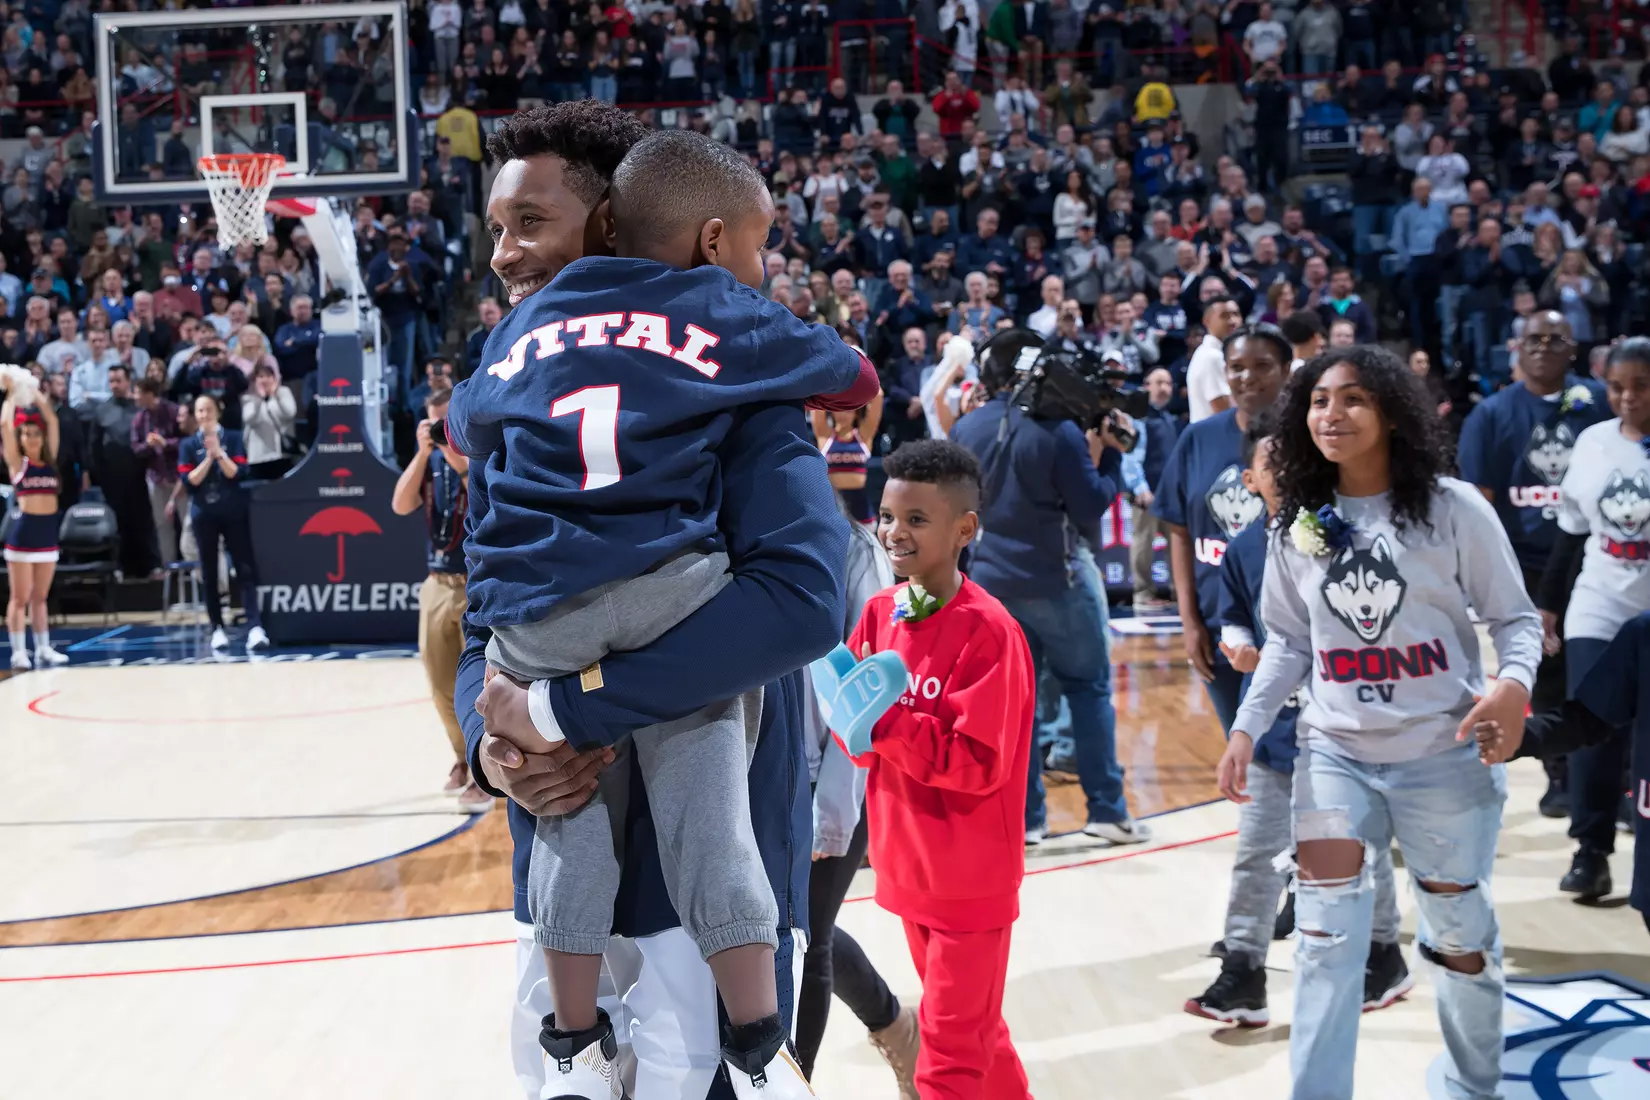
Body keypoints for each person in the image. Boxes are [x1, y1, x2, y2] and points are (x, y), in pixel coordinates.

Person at [446, 128, 876, 1098]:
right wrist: (494, 742)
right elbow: (489, 617)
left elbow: (802, 604)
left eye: (531, 222)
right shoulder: (520, 394)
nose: (505, 252)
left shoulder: (749, 395)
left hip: (704, 899)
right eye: (496, 228)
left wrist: (565, 711)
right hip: (560, 878)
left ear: (611, 223)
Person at [1220, 345, 1541, 1100]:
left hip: (1445, 760)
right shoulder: (1294, 525)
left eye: (1354, 399)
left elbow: (1517, 620)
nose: (1333, 414)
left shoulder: (1455, 509)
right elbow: (1289, 642)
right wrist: (1244, 727)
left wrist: (1513, 687)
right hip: (1333, 759)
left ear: (1393, 413)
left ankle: (1474, 1087)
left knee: (1460, 940)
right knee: (1326, 941)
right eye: (1320, 401)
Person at [1186, 411, 1408, 1029]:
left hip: (1338, 728)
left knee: (1355, 847)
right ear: (1250, 480)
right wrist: (1235, 644)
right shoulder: (1244, 545)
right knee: (1256, 854)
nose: (1280, 472)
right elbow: (1230, 614)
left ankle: (1385, 952)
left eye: (1290, 461)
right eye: (1269, 465)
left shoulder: (1335, 533)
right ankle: (1243, 972)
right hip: (1271, 731)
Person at [844, 439, 1034, 1100]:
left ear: (965, 529)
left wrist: (884, 721)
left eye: (917, 520)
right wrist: (854, 718)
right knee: (980, 1037)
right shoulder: (879, 614)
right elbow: (857, 740)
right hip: (907, 864)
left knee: (947, 1063)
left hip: (970, 879)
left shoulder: (990, 632)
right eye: (888, 516)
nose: (895, 532)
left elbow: (978, 764)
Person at [950, 333, 1147, 846]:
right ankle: (1106, 810)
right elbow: (1090, 508)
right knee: (1088, 689)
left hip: (992, 586)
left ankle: (1027, 820)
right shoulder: (1058, 429)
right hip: (1058, 580)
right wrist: (1106, 457)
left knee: (1019, 706)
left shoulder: (965, 428)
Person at [1456, 311, 1610, 827]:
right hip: (1521, 564)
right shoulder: (1492, 415)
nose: (1543, 347)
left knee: (1605, 672)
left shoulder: (1600, 404)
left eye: (1555, 339)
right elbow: (1479, 502)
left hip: (1595, 559)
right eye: (1534, 339)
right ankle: (1559, 773)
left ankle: (1620, 773)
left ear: (1574, 349)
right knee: (1542, 673)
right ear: (1515, 348)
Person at [792, 482, 916, 1096]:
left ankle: (796, 1085)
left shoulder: (850, 550)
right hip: (756, 776)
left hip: (827, 782)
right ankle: (896, 1026)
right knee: (784, 931)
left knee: (804, 941)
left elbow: (863, 695)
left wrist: (834, 811)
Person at [1537, 338, 1650, 902]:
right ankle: (1591, 852)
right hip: (1599, 604)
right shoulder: (1592, 442)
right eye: (1617, 387)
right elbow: (1571, 531)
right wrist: (1549, 603)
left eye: (1641, 386)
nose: (1627, 398)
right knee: (1591, 730)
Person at [1154, 325, 1290, 733]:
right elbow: (1177, 528)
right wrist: (1190, 620)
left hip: (1296, 625)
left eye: (1262, 366)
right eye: (1237, 367)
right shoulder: (1198, 438)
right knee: (1243, 748)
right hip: (1222, 624)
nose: (1247, 377)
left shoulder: (1312, 436)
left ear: (1286, 370)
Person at [391, 386, 491, 814]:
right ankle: (461, 758)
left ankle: (486, 771)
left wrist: (447, 445)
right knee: (439, 685)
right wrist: (422, 450)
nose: (439, 429)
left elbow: (470, 476)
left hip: (476, 580)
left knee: (484, 684)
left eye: (445, 421)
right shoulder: (430, 460)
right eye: (433, 421)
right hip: (436, 581)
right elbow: (400, 504)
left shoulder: (481, 453)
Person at [176, 394, 269, 654]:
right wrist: (208, 457)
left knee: (244, 566)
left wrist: (220, 454)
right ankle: (217, 627)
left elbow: (236, 472)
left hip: (233, 509)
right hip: (203, 512)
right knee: (209, 572)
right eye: (199, 411)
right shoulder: (187, 445)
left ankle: (255, 626)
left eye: (207, 409)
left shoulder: (235, 438)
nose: (204, 415)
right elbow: (190, 480)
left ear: (218, 410)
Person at [2, 388, 67, 669]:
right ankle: (19, 651)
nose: (32, 438)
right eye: (26, 434)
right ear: (21, 439)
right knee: (19, 598)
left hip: (47, 537)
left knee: (40, 598)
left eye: (35, 434)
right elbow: (5, 425)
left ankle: (43, 648)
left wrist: (35, 392)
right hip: (23, 538)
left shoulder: (50, 461)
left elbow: (51, 420)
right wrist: (12, 395)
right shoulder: (18, 464)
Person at [1131, 366, 1178, 612]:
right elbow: (1130, 457)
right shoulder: (1139, 418)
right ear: (1146, 386)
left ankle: (1178, 591)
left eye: (1168, 383)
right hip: (1146, 493)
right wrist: (1140, 487)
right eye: (1158, 382)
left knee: (1177, 544)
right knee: (1143, 543)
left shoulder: (1170, 419)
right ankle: (1142, 593)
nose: (1164, 388)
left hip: (1169, 494)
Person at [1186, 295, 1242, 422]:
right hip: (1216, 438)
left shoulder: (1215, 353)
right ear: (1207, 321)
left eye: (1236, 314)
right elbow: (1224, 411)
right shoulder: (1211, 357)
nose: (1232, 321)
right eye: (1224, 316)